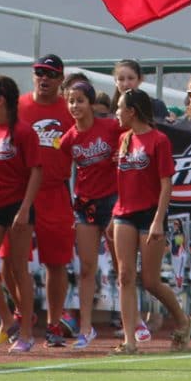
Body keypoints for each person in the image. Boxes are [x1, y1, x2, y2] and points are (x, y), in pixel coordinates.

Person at [110, 89, 191, 354]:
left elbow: (166, 183)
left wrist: (158, 220)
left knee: (150, 281)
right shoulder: (124, 139)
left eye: (120, 108)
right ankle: (130, 341)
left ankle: (182, 320)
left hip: (149, 214)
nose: (117, 114)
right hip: (124, 213)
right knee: (124, 276)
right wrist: (115, 215)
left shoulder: (159, 140)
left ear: (132, 111)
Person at [0, 75, 41, 352]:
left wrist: (25, 208)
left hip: (18, 205)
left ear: (0, 100)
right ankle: (7, 320)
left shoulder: (24, 132)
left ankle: (26, 332)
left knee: (17, 269)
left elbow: (36, 170)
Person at [17, 53, 76, 347]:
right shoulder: (19, 105)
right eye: (40, 72)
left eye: (51, 74)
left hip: (55, 191)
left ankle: (54, 323)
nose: (44, 78)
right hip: (21, 191)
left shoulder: (70, 109)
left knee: (56, 262)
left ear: (60, 79)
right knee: (12, 261)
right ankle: (22, 314)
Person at [59, 76, 121, 350]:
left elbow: (134, 139)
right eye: (71, 101)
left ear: (91, 103)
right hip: (85, 204)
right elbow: (59, 172)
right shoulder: (69, 138)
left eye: (80, 101)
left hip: (113, 201)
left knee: (123, 266)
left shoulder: (110, 127)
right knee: (86, 268)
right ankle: (86, 328)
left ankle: (134, 321)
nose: (75, 106)